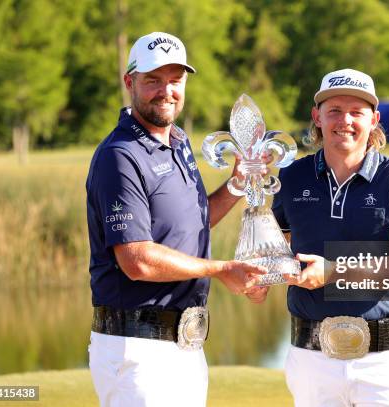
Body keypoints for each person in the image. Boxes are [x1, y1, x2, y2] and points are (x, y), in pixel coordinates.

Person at [85, 32, 267, 407]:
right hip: (137, 349)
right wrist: (220, 269)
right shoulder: (120, 156)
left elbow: (189, 226)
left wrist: (235, 185)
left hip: (184, 346)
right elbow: (136, 260)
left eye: (175, 80)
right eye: (153, 80)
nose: (166, 91)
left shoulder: (178, 143)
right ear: (129, 82)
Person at [272, 68, 389, 406]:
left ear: (374, 119)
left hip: (381, 361)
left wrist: (332, 271)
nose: (345, 120)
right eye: (334, 111)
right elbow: (274, 248)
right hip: (309, 359)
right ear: (317, 117)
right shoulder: (291, 176)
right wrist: (260, 273)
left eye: (356, 112)